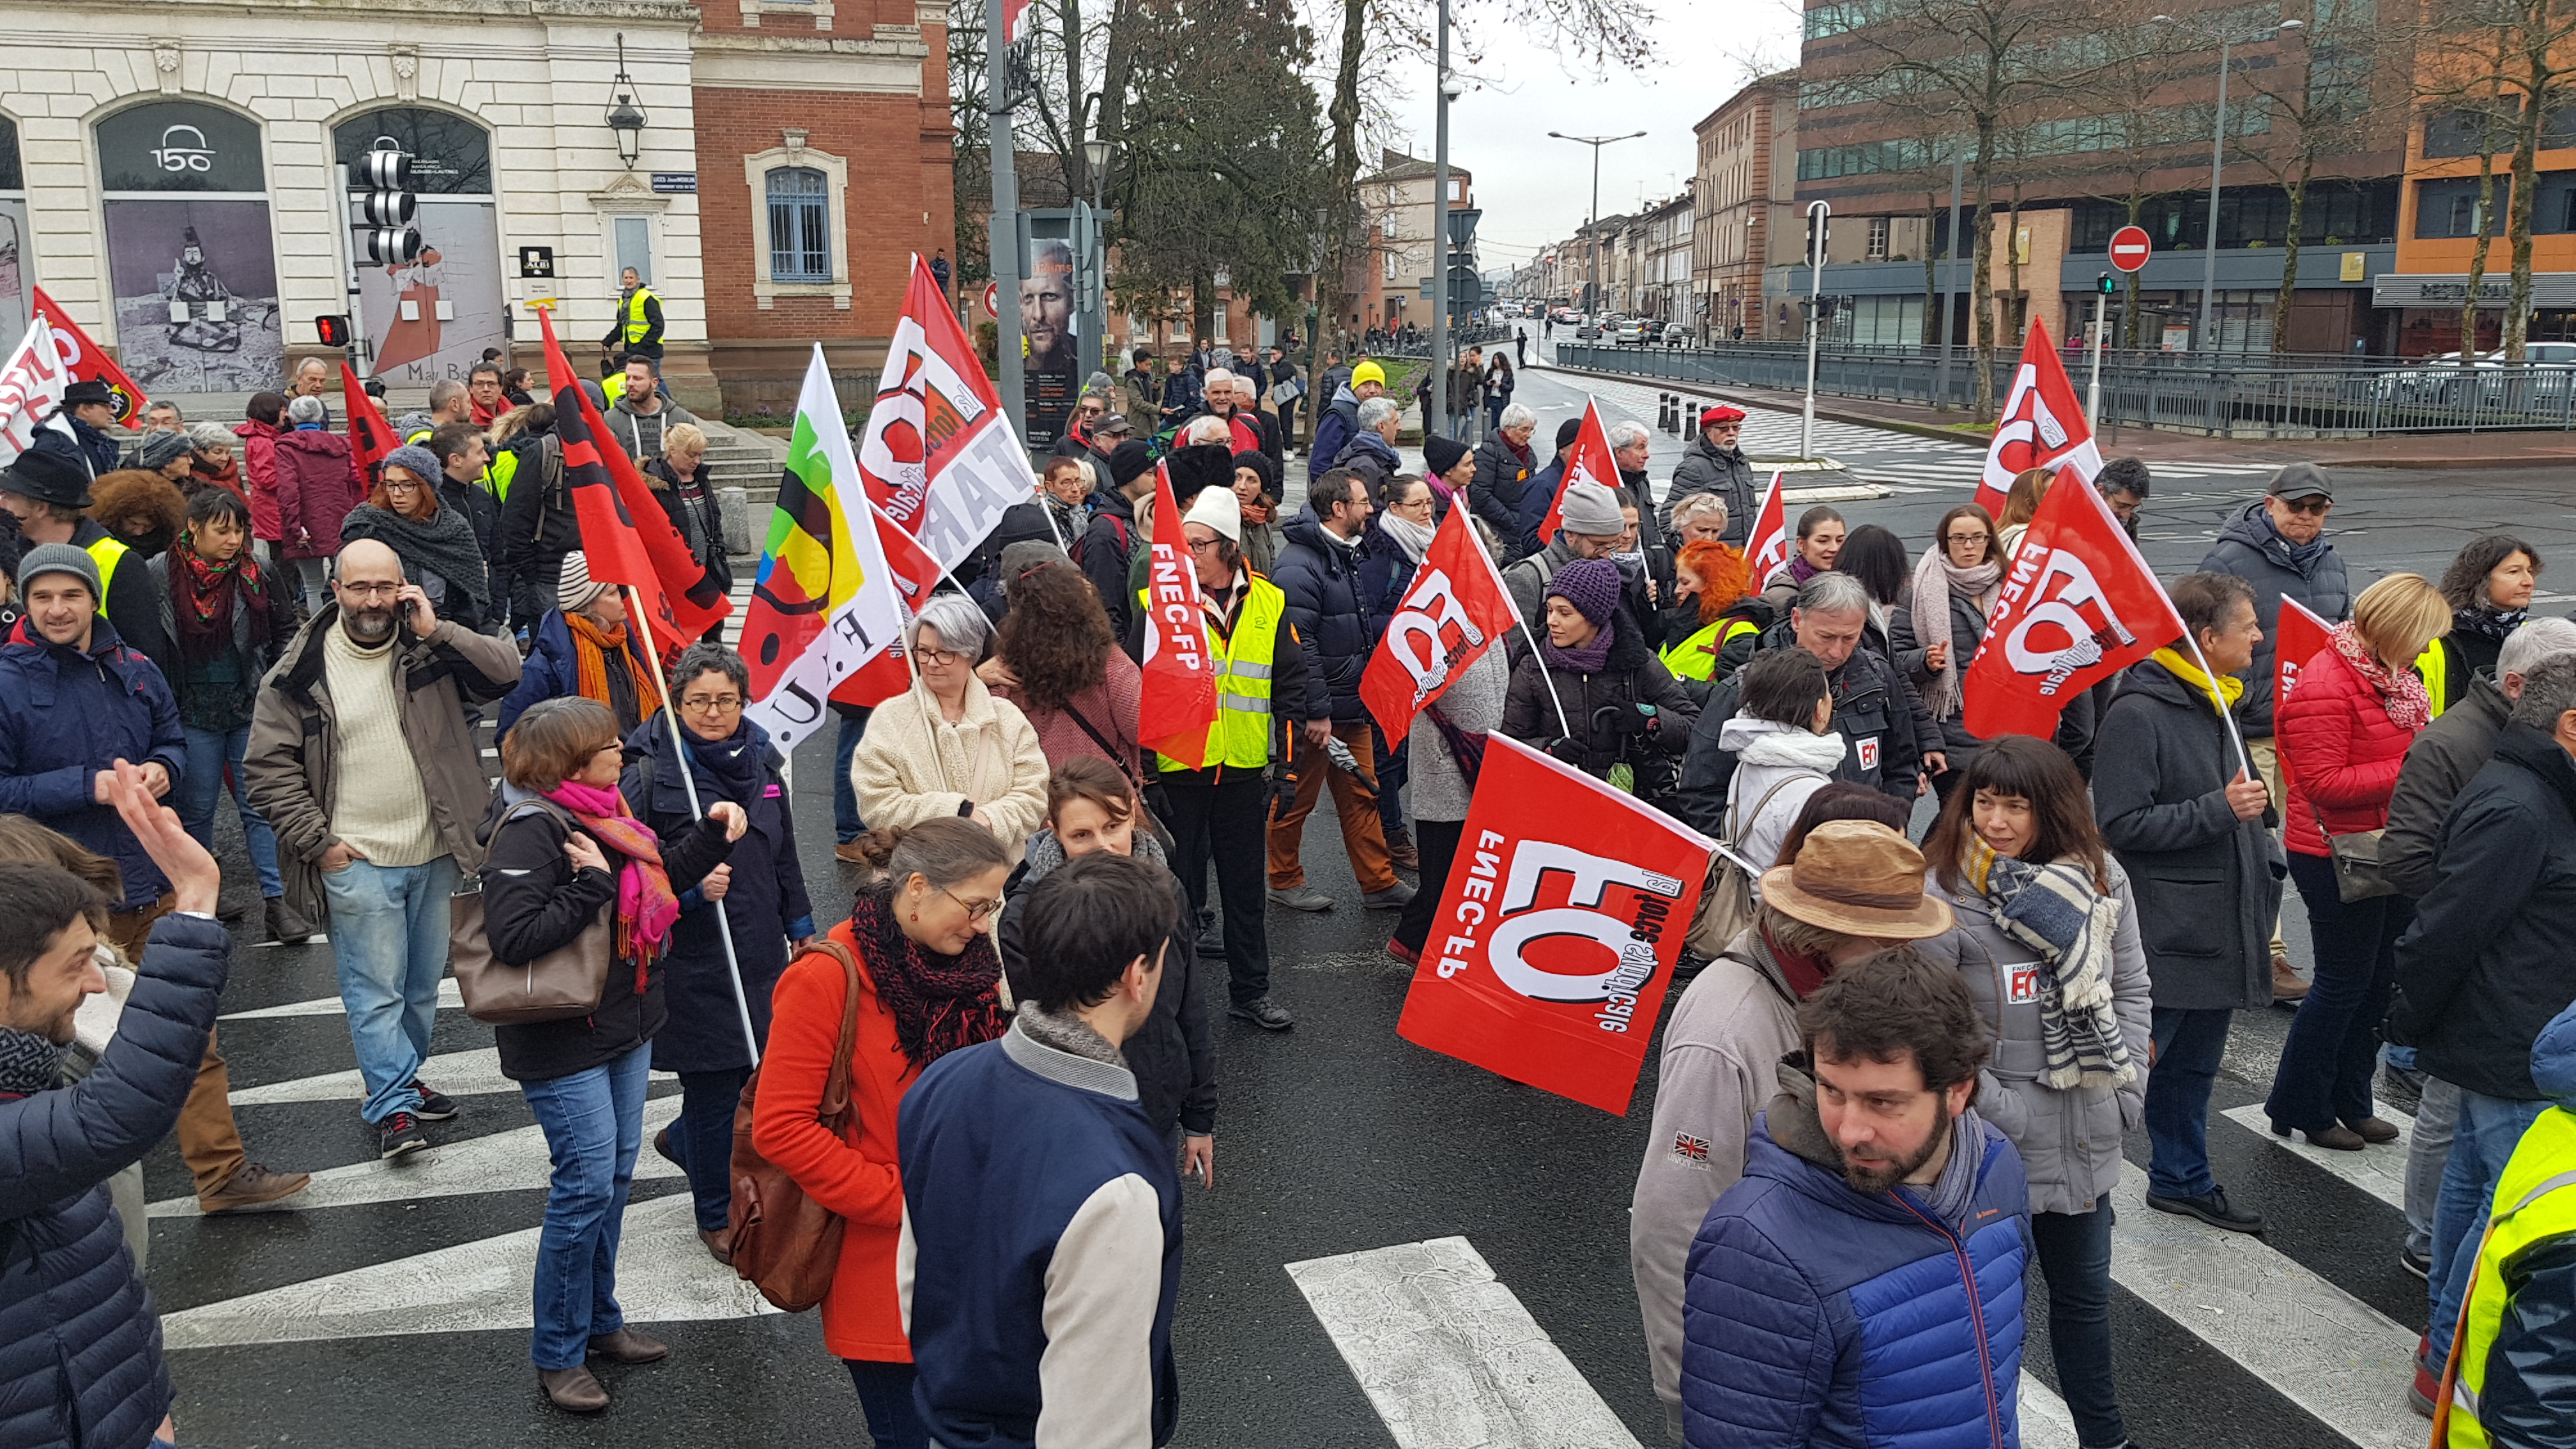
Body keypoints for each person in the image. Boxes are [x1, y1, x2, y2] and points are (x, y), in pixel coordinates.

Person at [1632, 818, 1961, 1438]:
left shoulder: (1845, 999)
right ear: (1826, 936)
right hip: (1763, 1375)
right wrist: (1691, 1397)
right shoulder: (1726, 1027)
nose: (1907, 955)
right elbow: (1672, 1228)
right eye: (1890, 941)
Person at [482, 696, 742, 1412]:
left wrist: (713, 835)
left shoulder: (605, 811)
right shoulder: (533, 830)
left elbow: (658, 873)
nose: (622, 751)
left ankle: (600, 1321)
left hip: (624, 1022)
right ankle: (559, 1352)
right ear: (570, 762)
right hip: (564, 1036)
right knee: (586, 1186)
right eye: (608, 746)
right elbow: (513, 937)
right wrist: (594, 883)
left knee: (615, 1180)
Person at [1678, 947, 2027, 1449]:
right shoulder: (1758, 1247)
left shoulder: (1998, 1167)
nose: (1850, 1130)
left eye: (1882, 1102)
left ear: (1957, 1092)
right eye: (1832, 1091)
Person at [244, 538, 523, 1158]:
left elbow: (507, 673)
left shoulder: (428, 650)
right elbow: (266, 770)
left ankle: (402, 1076)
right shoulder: (297, 672)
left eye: (384, 587)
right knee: (375, 992)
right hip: (356, 859)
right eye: (359, 588)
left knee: (420, 989)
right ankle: (392, 1104)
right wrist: (321, 844)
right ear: (335, 591)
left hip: (435, 851)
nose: (373, 601)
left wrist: (438, 629)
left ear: (404, 588)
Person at [896, 850, 1185, 1449]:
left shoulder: (941, 1082)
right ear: (1137, 976)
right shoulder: (1116, 1185)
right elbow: (1096, 1423)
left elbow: (914, 1277)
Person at [1924, 735, 2152, 1449]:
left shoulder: (2101, 879)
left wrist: (2129, 1088)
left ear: (2052, 811)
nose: (1995, 822)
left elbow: (2132, 988)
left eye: (2015, 807)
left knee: (2085, 1307)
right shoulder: (1947, 894)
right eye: (1984, 803)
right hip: (1992, 1148)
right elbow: (1936, 1026)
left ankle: (2106, 1439)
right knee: (1988, 1318)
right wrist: (2004, 1112)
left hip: (2088, 1132)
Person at [755, 818, 1011, 1448]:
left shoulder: (971, 967)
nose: (984, 926)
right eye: (975, 906)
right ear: (918, 888)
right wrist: (901, 1200)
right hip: (884, 1264)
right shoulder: (825, 977)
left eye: (992, 908)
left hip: (975, 1255)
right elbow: (782, 1127)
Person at [0, 769, 231, 1449]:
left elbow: (93, 1284)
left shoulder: (26, 1071)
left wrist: (147, 1405)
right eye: (77, 963)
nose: (98, 982)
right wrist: (193, 903)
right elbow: (115, 1116)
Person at [2388, 650, 2576, 1409]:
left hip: (2506, 1034)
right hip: (2513, 1044)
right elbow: (2447, 928)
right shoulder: (2521, 806)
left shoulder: (2536, 790)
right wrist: (2409, 1026)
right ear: (2571, 726)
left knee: (2472, 1198)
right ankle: (2451, 1360)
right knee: (2506, 1215)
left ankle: (2441, 1346)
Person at [2092, 569, 2281, 1234]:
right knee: (2132, 1069)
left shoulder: (2218, 699)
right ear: (2205, 636)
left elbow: (2237, 799)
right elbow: (2121, 823)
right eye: (2248, 627)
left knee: (2193, 1070)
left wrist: (2261, 835)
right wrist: (2219, 810)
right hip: (2169, 931)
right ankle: (2082, 1189)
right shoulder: (2139, 712)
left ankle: (2182, 1180)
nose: (2259, 638)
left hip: (2218, 925)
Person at [622, 641, 813, 1264]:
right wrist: (690, 891)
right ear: (677, 702)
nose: (712, 713)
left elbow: (783, 852)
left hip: (758, 950)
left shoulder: (762, 759)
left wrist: (801, 924)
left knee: (754, 1074)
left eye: (726, 701)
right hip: (692, 958)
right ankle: (713, 1211)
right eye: (699, 701)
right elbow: (631, 874)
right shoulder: (649, 770)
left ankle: (684, 1141)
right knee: (714, 1087)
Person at [2267, 572, 2448, 1149]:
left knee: (2378, 983)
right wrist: (2414, 766)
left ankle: (2352, 1100)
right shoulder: (2326, 684)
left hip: (2387, 843)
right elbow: (2320, 783)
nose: (2427, 648)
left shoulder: (2393, 677)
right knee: (2343, 984)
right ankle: (2302, 1104)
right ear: (2396, 629)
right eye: (2423, 636)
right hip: (2335, 854)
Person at [1145, 485, 1319, 1032]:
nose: (1187, 555)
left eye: (1197, 545)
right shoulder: (1158, 602)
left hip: (1243, 772)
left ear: (1227, 547)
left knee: (1245, 891)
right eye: (1184, 544)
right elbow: (1140, 690)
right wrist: (1145, 772)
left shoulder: (1270, 601)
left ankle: (1251, 992)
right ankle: (1172, 1002)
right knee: (1175, 894)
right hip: (1178, 771)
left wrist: (1287, 767)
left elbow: (1289, 690)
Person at [1000, 758, 1216, 1173]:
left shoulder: (1166, 890)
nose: (1103, 846)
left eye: (1114, 826)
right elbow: (1044, 1033)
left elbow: (1188, 1003)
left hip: (1155, 1103)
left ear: (1133, 815)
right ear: (1055, 832)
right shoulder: (1026, 917)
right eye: (1082, 834)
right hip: (1077, 1115)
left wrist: (1199, 1114)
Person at [2202, 462, 2350, 1004]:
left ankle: (2308, 946)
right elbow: (2203, 636)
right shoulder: (2230, 560)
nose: (2306, 517)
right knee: (2258, 841)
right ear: (2270, 505)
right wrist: (2235, 700)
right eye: (2296, 506)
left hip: (2311, 727)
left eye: (2317, 508)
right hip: (2254, 726)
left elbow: (2341, 636)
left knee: (2312, 838)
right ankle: (2268, 952)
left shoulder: (2331, 563)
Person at [148, 489, 314, 947]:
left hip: (249, 705)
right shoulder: (159, 572)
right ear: (194, 527)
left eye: (239, 530)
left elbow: (284, 630)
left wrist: (277, 684)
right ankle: (204, 896)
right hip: (189, 710)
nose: (233, 540)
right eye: (222, 530)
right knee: (197, 811)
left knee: (258, 805)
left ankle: (278, 903)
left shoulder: (256, 571)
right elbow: (150, 639)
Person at [0, 545, 186, 948]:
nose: (57, 610)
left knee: (178, 990)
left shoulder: (137, 666)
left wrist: (164, 766)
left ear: (95, 600)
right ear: (26, 604)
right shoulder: (6, 684)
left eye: (71, 595)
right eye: (43, 597)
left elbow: (171, 738)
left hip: (158, 887)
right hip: (66, 909)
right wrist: (87, 787)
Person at [1677, 572, 1940, 825]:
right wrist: (1746, 845)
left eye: (1850, 638)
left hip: (1864, 844)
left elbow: (1901, 767)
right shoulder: (1747, 688)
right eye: (1826, 637)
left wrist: (1887, 827)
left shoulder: (1877, 677)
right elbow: (1701, 790)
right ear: (1797, 620)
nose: (1836, 651)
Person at [2428, 995, 2576, 1444]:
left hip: (2497, 1033)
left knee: (2467, 1181)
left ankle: (2438, 1345)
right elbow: (2540, 1415)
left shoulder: (2558, 1130)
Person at [1266, 468, 1412, 912]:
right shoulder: (1298, 566)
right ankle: (1283, 879)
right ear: (1338, 508)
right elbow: (1299, 646)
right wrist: (1316, 711)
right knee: (1297, 797)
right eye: (1364, 502)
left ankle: (1379, 882)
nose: (1371, 509)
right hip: (1316, 714)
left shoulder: (1343, 554)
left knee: (1362, 793)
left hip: (1349, 705)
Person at [853, 592, 1050, 866]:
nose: (931, 663)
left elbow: (1034, 795)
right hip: (921, 875)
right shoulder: (889, 719)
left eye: (945, 653)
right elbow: (877, 803)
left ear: (970, 655)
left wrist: (991, 821)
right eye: (923, 651)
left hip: (997, 875)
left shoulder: (1007, 719)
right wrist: (954, 812)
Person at [1499, 556, 1696, 801]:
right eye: (1549, 610)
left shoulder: (1637, 662)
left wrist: (1650, 718)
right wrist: (1548, 749)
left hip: (1629, 801)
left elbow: (1692, 725)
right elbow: (1508, 745)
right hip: (1555, 798)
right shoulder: (1534, 666)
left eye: (1565, 613)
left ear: (1594, 617)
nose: (1552, 621)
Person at [1388, 609, 1511, 965]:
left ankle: (1418, 940)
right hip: (1443, 760)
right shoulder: (1433, 617)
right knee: (1443, 869)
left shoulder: (1487, 613)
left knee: (1462, 868)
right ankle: (1418, 945)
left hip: (1481, 757)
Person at [0, 446, 175, 677]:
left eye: (9, 497)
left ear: (41, 508)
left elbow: (145, 655)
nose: (2, 503)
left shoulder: (120, 561)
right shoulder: (12, 553)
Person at [981, 558, 1143, 782]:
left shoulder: (1001, 673)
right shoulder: (1108, 659)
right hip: (1106, 790)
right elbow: (1139, 728)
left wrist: (975, 679)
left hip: (1041, 794)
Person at [1891, 504, 2003, 803]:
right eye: (1959, 538)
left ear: (1989, 540)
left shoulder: (2012, 584)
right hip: (1953, 726)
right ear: (1945, 541)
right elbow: (1896, 658)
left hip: (2007, 722)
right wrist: (1924, 661)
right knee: (1957, 814)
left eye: (1977, 537)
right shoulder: (1921, 590)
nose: (1969, 546)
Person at [1712, 648, 1844, 882]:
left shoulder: (1752, 758)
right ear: (1819, 710)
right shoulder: (1810, 790)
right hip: (1776, 901)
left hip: (1745, 891)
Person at [498, 552, 662, 739]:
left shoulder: (629, 642)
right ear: (587, 604)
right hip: (589, 755)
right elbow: (512, 736)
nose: (624, 598)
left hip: (638, 752)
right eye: (612, 593)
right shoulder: (547, 664)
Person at [336, 443, 495, 634]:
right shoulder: (367, 524)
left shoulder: (455, 529)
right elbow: (338, 584)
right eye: (390, 484)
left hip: (441, 632)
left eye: (407, 485)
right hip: (377, 631)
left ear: (427, 487)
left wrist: (446, 634)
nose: (397, 494)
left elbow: (472, 591)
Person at [2421, 534, 2540, 715]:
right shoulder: (2438, 639)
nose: (2529, 582)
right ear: (2480, 578)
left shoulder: (2530, 637)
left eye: (2530, 571)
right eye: (2513, 572)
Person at [1501, 478, 1629, 637]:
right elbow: (1516, 646)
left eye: (1613, 545)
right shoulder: (1526, 578)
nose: (1607, 555)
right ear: (1570, 535)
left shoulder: (1608, 573)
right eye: (1599, 544)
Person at [273, 392, 366, 609]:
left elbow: (288, 491)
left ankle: (318, 627)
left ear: (292, 419)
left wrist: (294, 527)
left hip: (306, 521)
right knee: (344, 581)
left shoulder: (287, 447)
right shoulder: (340, 445)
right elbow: (352, 482)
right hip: (340, 518)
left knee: (313, 585)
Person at [1656, 537, 1760, 701]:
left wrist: (1673, 682)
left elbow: (1734, 698)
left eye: (1685, 582)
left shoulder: (1742, 634)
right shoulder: (1690, 621)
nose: (1677, 590)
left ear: (1712, 584)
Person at [1078, 440, 1153, 640]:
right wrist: (1120, 652)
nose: (1156, 479)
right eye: (1149, 473)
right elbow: (1105, 602)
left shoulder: (1145, 516)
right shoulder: (1106, 530)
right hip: (1127, 643)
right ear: (1129, 477)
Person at [1661, 403, 1756, 544]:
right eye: (1723, 429)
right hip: (1712, 554)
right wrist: (1692, 550)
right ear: (1708, 432)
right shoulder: (1694, 468)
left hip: (1744, 554)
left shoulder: (1741, 464)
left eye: (1736, 427)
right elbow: (1669, 518)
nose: (1731, 433)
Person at [428, 422, 501, 571]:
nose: (487, 458)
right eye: (479, 452)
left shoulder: (482, 498)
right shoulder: (430, 502)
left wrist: (498, 584)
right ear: (456, 460)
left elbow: (499, 555)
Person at [601, 355, 696, 464]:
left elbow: (694, 459)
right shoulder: (609, 421)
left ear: (654, 383)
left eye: (637, 379)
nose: (630, 383)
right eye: (627, 378)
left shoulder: (682, 419)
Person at [1470, 403, 1537, 554]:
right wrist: (1511, 521)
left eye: (1531, 430)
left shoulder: (1528, 453)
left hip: (1522, 526)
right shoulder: (1488, 453)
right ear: (1508, 429)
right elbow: (1480, 494)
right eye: (1524, 430)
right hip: (1496, 532)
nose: (1529, 435)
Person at [27, 378, 126, 479]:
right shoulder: (53, 440)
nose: (113, 412)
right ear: (85, 409)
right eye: (106, 406)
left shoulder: (92, 439)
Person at [85, 465, 187, 562]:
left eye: (148, 527)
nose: (139, 532)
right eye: (134, 523)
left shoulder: (164, 543)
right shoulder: (96, 539)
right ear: (115, 516)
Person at [1307, 357, 1385, 483]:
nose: (1372, 390)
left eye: (1377, 385)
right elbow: (1320, 464)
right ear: (1354, 387)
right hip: (1343, 489)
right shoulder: (1337, 415)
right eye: (1366, 384)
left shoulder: (1380, 413)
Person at [235, 392, 288, 572]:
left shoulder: (265, 438)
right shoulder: (262, 442)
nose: (286, 414)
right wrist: (292, 479)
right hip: (273, 509)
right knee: (283, 562)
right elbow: (267, 479)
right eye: (282, 409)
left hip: (272, 509)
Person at [1516, 417, 1582, 559]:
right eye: (1580, 445)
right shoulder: (1542, 485)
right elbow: (1532, 542)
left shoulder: (1587, 482)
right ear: (1562, 450)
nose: (1585, 451)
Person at [1759, 503, 1845, 613]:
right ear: (1801, 544)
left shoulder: (1855, 584)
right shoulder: (1780, 596)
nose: (1834, 548)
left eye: (1840, 540)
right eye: (1823, 541)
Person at [1330, 396, 1403, 501]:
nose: (1400, 428)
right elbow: (1366, 508)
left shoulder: (1376, 456)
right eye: (1396, 422)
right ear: (1382, 426)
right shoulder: (1366, 467)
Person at [1230, 450, 1285, 576]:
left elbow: (1271, 564)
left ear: (1261, 488)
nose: (1242, 486)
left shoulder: (1263, 521)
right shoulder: (1221, 518)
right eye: (1237, 477)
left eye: (1252, 480)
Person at [605, 265, 664, 364]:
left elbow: (658, 326)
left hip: (649, 352)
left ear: (638, 280)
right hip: (632, 350)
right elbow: (622, 326)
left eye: (631, 278)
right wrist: (608, 341)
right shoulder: (623, 300)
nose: (628, 281)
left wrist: (643, 345)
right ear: (622, 280)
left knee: (652, 374)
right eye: (626, 278)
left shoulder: (646, 297)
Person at [1992, 466, 2051, 560]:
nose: (2065, 498)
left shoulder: (2000, 537)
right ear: (2030, 504)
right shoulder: (2027, 539)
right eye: (2054, 494)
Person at [2096, 455, 2150, 537]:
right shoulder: (2077, 523)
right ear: (2101, 491)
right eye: (2121, 506)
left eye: (2133, 507)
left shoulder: (2128, 522)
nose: (2127, 516)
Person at [468, 361, 509, 429]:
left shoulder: (514, 415)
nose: (486, 389)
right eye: (479, 384)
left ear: (501, 389)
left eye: (492, 384)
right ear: (471, 388)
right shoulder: (464, 419)